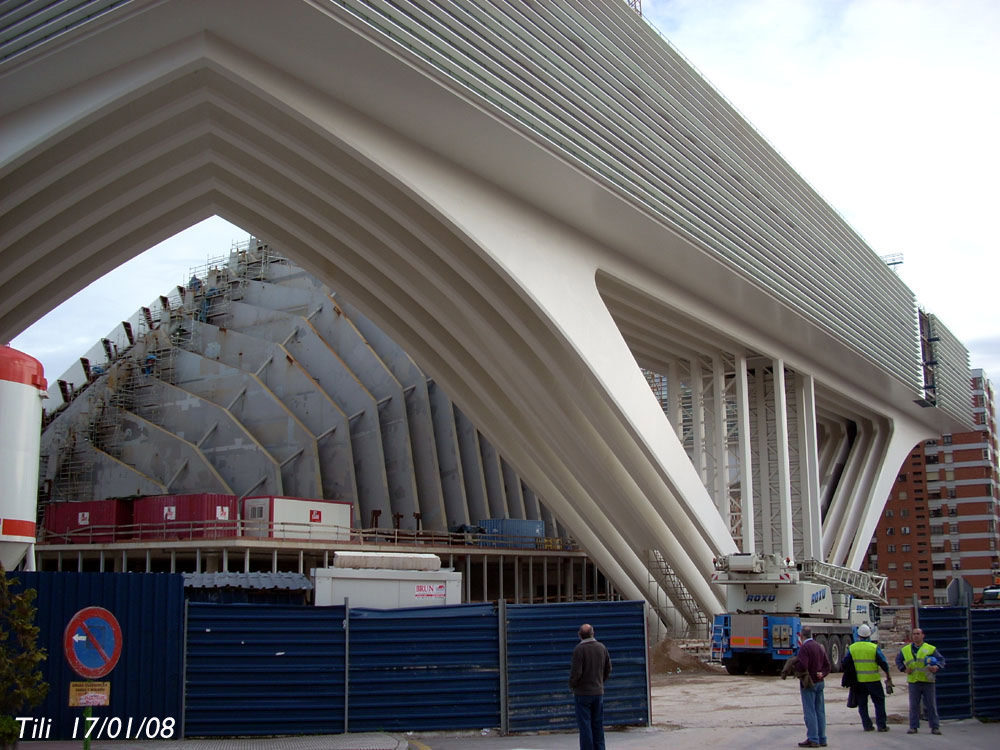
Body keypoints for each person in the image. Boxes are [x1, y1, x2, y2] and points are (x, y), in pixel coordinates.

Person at [842, 623, 893, 732]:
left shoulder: (852, 648)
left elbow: (845, 663)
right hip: (873, 680)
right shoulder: (874, 648)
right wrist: (888, 676)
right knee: (879, 702)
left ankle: (867, 725)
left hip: (859, 681)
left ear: (858, 635)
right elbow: (883, 663)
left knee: (862, 704)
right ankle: (881, 725)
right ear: (869, 635)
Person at [569, 623, 612, 750]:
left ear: (579, 635)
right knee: (598, 724)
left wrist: (572, 685)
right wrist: (600, 682)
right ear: (593, 633)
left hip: (582, 693)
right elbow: (608, 669)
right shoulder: (601, 647)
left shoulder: (579, 650)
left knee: (585, 725)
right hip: (598, 692)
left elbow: (576, 673)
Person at [895, 627, 945, 735]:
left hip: (928, 680)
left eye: (918, 634)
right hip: (914, 681)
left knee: (931, 705)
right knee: (914, 705)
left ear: (923, 635)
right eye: (914, 634)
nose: (916, 636)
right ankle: (913, 726)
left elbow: (941, 660)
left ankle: (935, 727)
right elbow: (898, 660)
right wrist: (903, 669)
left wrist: (936, 667)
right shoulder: (906, 650)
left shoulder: (930, 649)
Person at [795, 625, 831, 748]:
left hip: (809, 683)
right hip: (820, 683)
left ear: (801, 635)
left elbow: (803, 665)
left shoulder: (805, 648)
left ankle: (813, 739)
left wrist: (795, 669)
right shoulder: (819, 647)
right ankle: (822, 738)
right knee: (820, 711)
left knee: (810, 712)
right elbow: (827, 665)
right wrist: (822, 674)